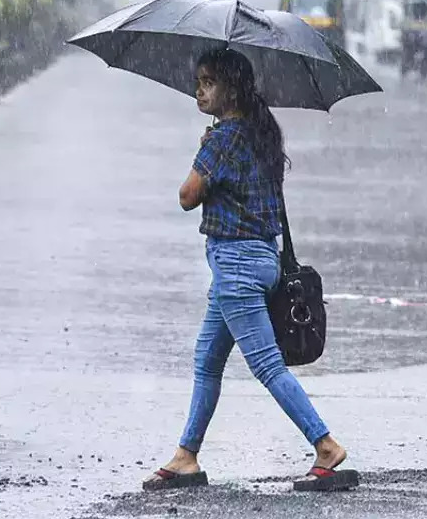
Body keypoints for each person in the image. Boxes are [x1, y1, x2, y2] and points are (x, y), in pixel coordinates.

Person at [144, 48, 353, 493]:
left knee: (267, 365)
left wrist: (205, 151)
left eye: (208, 82)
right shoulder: (260, 136)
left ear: (232, 89)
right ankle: (186, 456)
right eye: (198, 81)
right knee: (207, 359)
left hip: (235, 266)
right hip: (259, 259)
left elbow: (187, 196)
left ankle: (325, 445)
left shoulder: (223, 140)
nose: (198, 90)